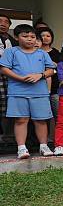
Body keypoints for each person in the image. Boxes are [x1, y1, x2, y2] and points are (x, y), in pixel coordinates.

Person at [0, 24, 56, 158]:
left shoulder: (42, 53)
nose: (29, 39)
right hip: (17, 91)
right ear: (16, 37)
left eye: (32, 37)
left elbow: (51, 70)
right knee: (21, 120)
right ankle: (21, 148)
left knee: (41, 120)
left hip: (40, 92)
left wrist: (40, 75)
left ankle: (44, 146)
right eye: (25, 36)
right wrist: (20, 78)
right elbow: (3, 69)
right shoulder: (11, 52)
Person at [0, 14, 18, 142]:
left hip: (10, 76)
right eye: (0, 21)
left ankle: (8, 136)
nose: (3, 24)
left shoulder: (14, 41)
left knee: (8, 105)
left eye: (6, 22)